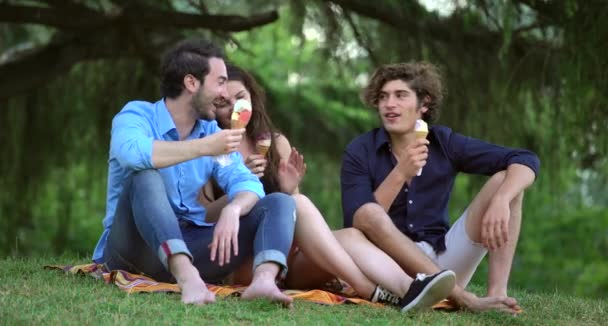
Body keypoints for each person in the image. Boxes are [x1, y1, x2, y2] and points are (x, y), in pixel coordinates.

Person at [198, 64, 457, 313]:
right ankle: (367, 288)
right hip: (242, 257)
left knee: (349, 235)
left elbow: (295, 219)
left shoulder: (275, 143)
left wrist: (288, 190)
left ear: (252, 97)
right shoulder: (209, 148)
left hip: (287, 259)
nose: (234, 108)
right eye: (224, 103)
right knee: (298, 204)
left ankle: (409, 289)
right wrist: (240, 188)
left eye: (240, 98)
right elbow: (200, 217)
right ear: (212, 107)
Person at [91, 39, 298, 306]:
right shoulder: (136, 115)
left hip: (193, 246)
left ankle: (264, 282)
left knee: (278, 201)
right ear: (191, 83)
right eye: (220, 82)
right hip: (132, 248)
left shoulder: (211, 132)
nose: (225, 94)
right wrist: (203, 148)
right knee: (144, 175)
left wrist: (233, 210)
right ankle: (188, 280)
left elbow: (246, 182)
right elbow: (133, 154)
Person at [341, 62, 540, 313]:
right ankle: (460, 298)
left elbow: (525, 159)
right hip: (387, 266)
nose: (389, 104)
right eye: (383, 97)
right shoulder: (360, 150)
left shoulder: (443, 142)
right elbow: (357, 224)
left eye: (400, 96)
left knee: (507, 181)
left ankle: (497, 295)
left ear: (424, 104)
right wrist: (400, 172)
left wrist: (501, 200)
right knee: (367, 213)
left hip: (444, 264)